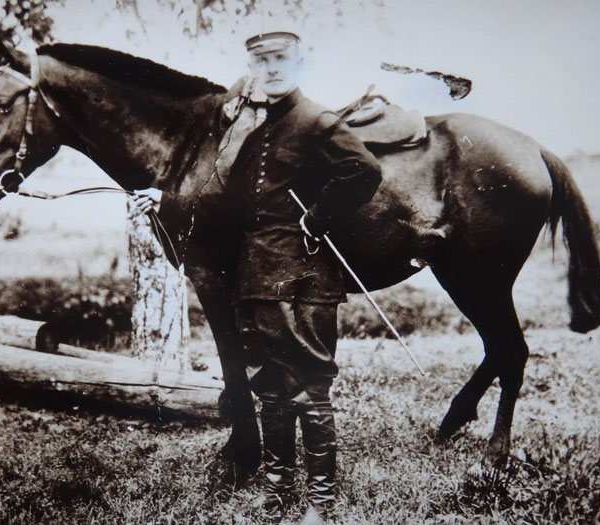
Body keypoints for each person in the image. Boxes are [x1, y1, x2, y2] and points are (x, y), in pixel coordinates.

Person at [134, 31, 382, 524]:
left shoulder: (317, 120)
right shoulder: (259, 127)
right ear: (251, 66)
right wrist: (169, 201)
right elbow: (230, 204)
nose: (270, 69)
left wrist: (316, 217)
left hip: (304, 277)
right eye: (260, 61)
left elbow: (363, 170)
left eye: (280, 59)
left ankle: (319, 503)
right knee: (268, 386)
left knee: (309, 388)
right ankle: (278, 493)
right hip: (256, 275)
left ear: (299, 62)